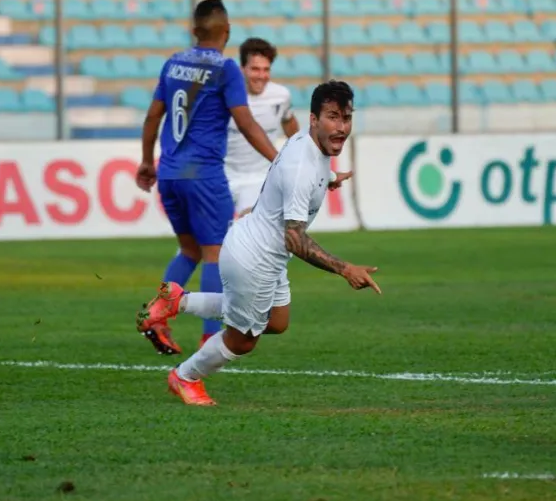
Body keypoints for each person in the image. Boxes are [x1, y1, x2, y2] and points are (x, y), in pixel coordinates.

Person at [137, 81, 378, 406]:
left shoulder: (305, 143)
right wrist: (345, 268)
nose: (341, 127)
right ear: (313, 119)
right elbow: (294, 238)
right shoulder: (301, 168)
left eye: (346, 118)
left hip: (260, 248)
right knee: (243, 340)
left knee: (277, 322)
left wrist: (331, 179)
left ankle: (179, 302)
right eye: (333, 117)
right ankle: (184, 377)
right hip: (254, 260)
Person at [134, 0, 279, 353]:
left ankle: (157, 316)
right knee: (216, 252)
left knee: (189, 249)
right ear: (226, 32)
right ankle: (209, 336)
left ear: (194, 31)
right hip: (203, 175)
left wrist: (146, 161)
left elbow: (153, 116)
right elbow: (245, 122)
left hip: (169, 173)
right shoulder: (226, 69)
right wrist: (278, 160)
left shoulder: (173, 63)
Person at [225, 39, 300, 218]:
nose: (261, 76)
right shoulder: (225, 96)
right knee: (207, 243)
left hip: (259, 179)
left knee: (250, 225)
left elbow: (288, 121)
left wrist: (300, 150)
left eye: (266, 70)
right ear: (242, 69)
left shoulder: (280, 96)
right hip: (223, 177)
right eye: (255, 69)